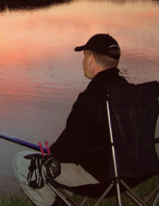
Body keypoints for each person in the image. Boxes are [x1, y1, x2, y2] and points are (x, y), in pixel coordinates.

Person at [13, 33, 129, 206]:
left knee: (23, 162)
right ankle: (60, 199)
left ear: (90, 59)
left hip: (102, 178)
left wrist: (50, 153)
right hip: (133, 171)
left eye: (84, 57)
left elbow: (66, 149)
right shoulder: (132, 93)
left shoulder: (90, 99)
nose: (83, 62)